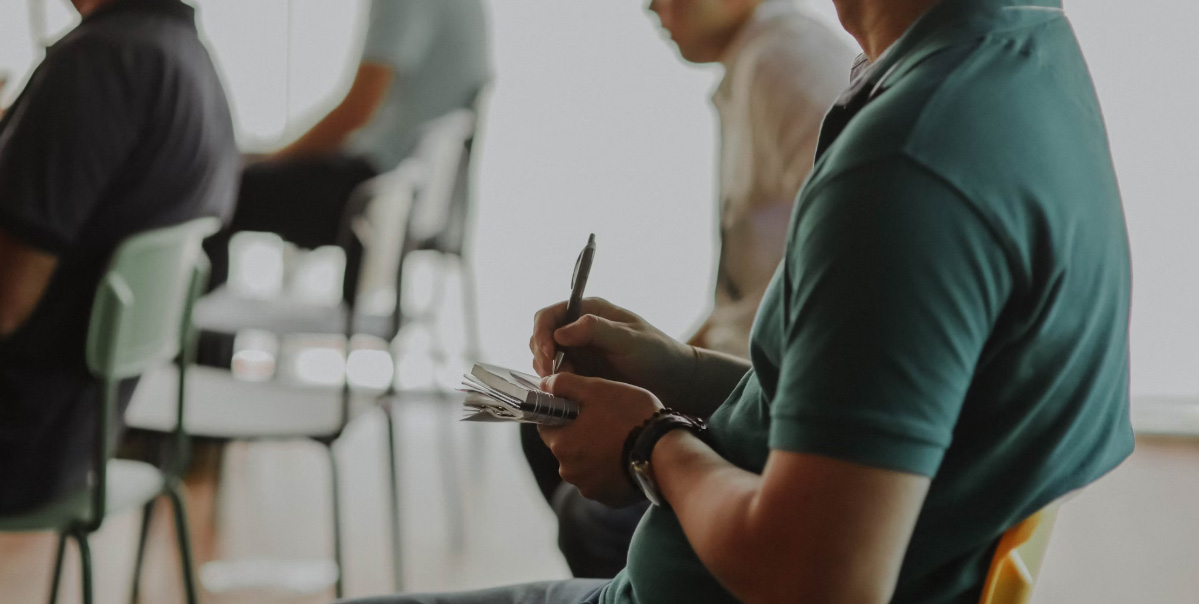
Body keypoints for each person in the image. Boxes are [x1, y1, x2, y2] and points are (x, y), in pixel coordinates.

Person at [343, 0, 1134, 602]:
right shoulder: (1022, 53)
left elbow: (820, 580)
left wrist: (649, 442)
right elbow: (881, 412)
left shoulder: (907, 161)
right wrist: (679, 369)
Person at [519, 0, 855, 578]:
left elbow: (842, 285)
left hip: (769, 403)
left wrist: (658, 431)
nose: (649, 5)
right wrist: (668, 357)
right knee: (546, 418)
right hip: (745, 378)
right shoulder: (757, 63)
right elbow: (751, 291)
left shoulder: (787, 66)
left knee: (588, 512)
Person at [0, 0, 238, 513]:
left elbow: (5, 301)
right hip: (81, 437)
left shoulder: (98, 62)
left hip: (19, 441)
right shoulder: (185, 57)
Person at [202, 0, 491, 290]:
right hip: (405, 195)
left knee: (214, 189)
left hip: (375, 197)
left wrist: (270, 159)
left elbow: (356, 112)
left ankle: (202, 332)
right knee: (231, 180)